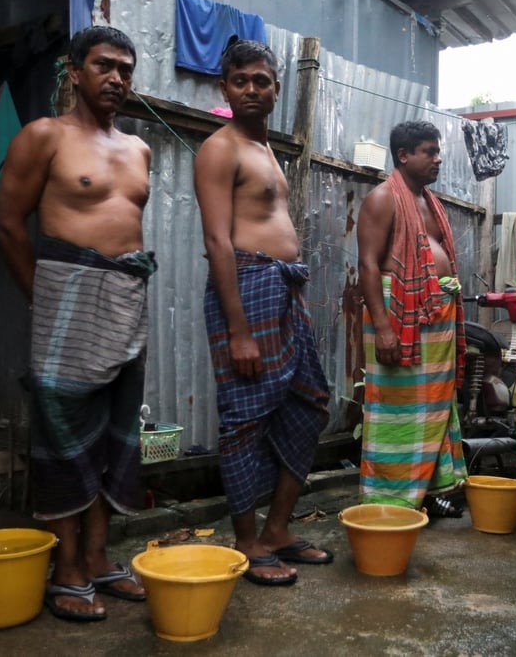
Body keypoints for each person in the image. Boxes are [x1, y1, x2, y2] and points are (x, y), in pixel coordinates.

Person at [0, 26, 153, 621]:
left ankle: (100, 556)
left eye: (125, 69)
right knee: (61, 429)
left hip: (128, 298)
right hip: (66, 296)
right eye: (104, 65)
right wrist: (45, 296)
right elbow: (7, 225)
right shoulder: (45, 138)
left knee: (117, 433)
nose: (116, 78)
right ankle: (66, 569)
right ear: (76, 70)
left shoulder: (139, 149)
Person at [193, 38, 332, 587]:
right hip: (247, 287)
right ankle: (247, 541)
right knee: (246, 419)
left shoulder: (267, 149)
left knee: (309, 403)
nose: (252, 89)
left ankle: (277, 529)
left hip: (284, 290)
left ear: (277, 88)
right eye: (240, 80)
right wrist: (238, 330)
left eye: (262, 80)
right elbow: (217, 240)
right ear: (223, 88)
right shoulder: (220, 148)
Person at [356, 120, 468, 516]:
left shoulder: (430, 201)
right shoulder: (383, 198)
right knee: (396, 412)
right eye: (429, 151)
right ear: (403, 155)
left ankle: (424, 494)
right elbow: (367, 265)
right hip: (399, 317)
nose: (437, 159)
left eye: (438, 151)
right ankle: (388, 501)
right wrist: (383, 327)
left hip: (434, 317)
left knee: (435, 409)